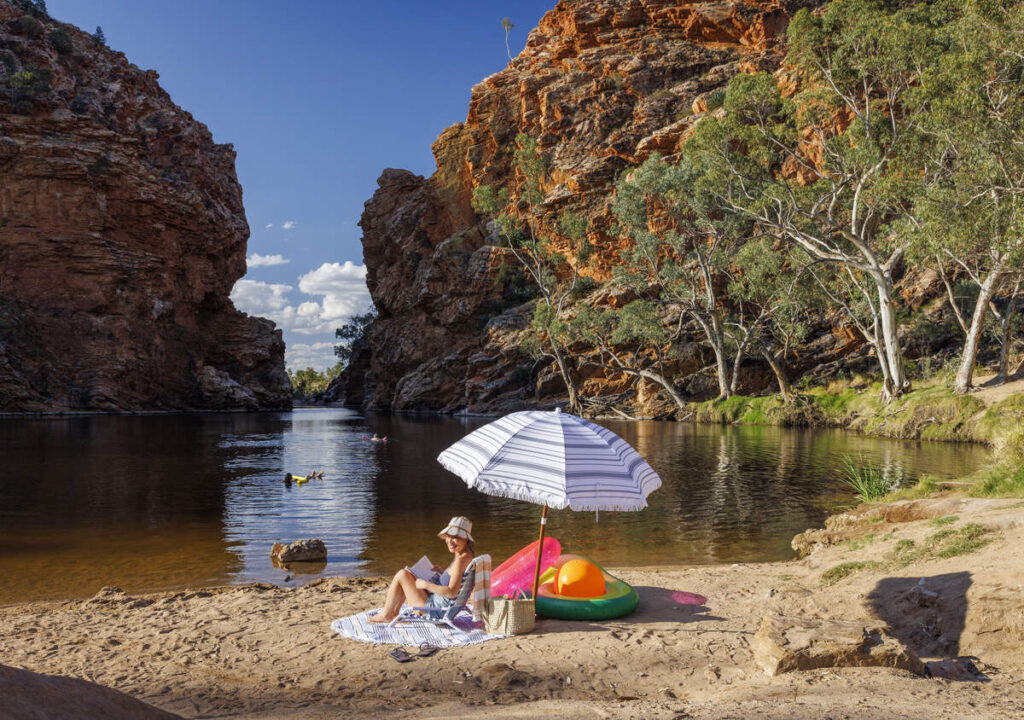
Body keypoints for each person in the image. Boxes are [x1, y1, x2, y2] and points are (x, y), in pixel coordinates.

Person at [367, 516, 475, 623]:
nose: (450, 541)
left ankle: (386, 615)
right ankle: (394, 613)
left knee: (402, 574)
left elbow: (451, 593)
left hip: (435, 610)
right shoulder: (466, 554)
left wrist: (425, 585)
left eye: (455, 537)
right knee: (408, 574)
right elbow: (457, 578)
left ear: (466, 538)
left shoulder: (461, 560)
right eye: (448, 536)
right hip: (439, 603)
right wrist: (444, 573)